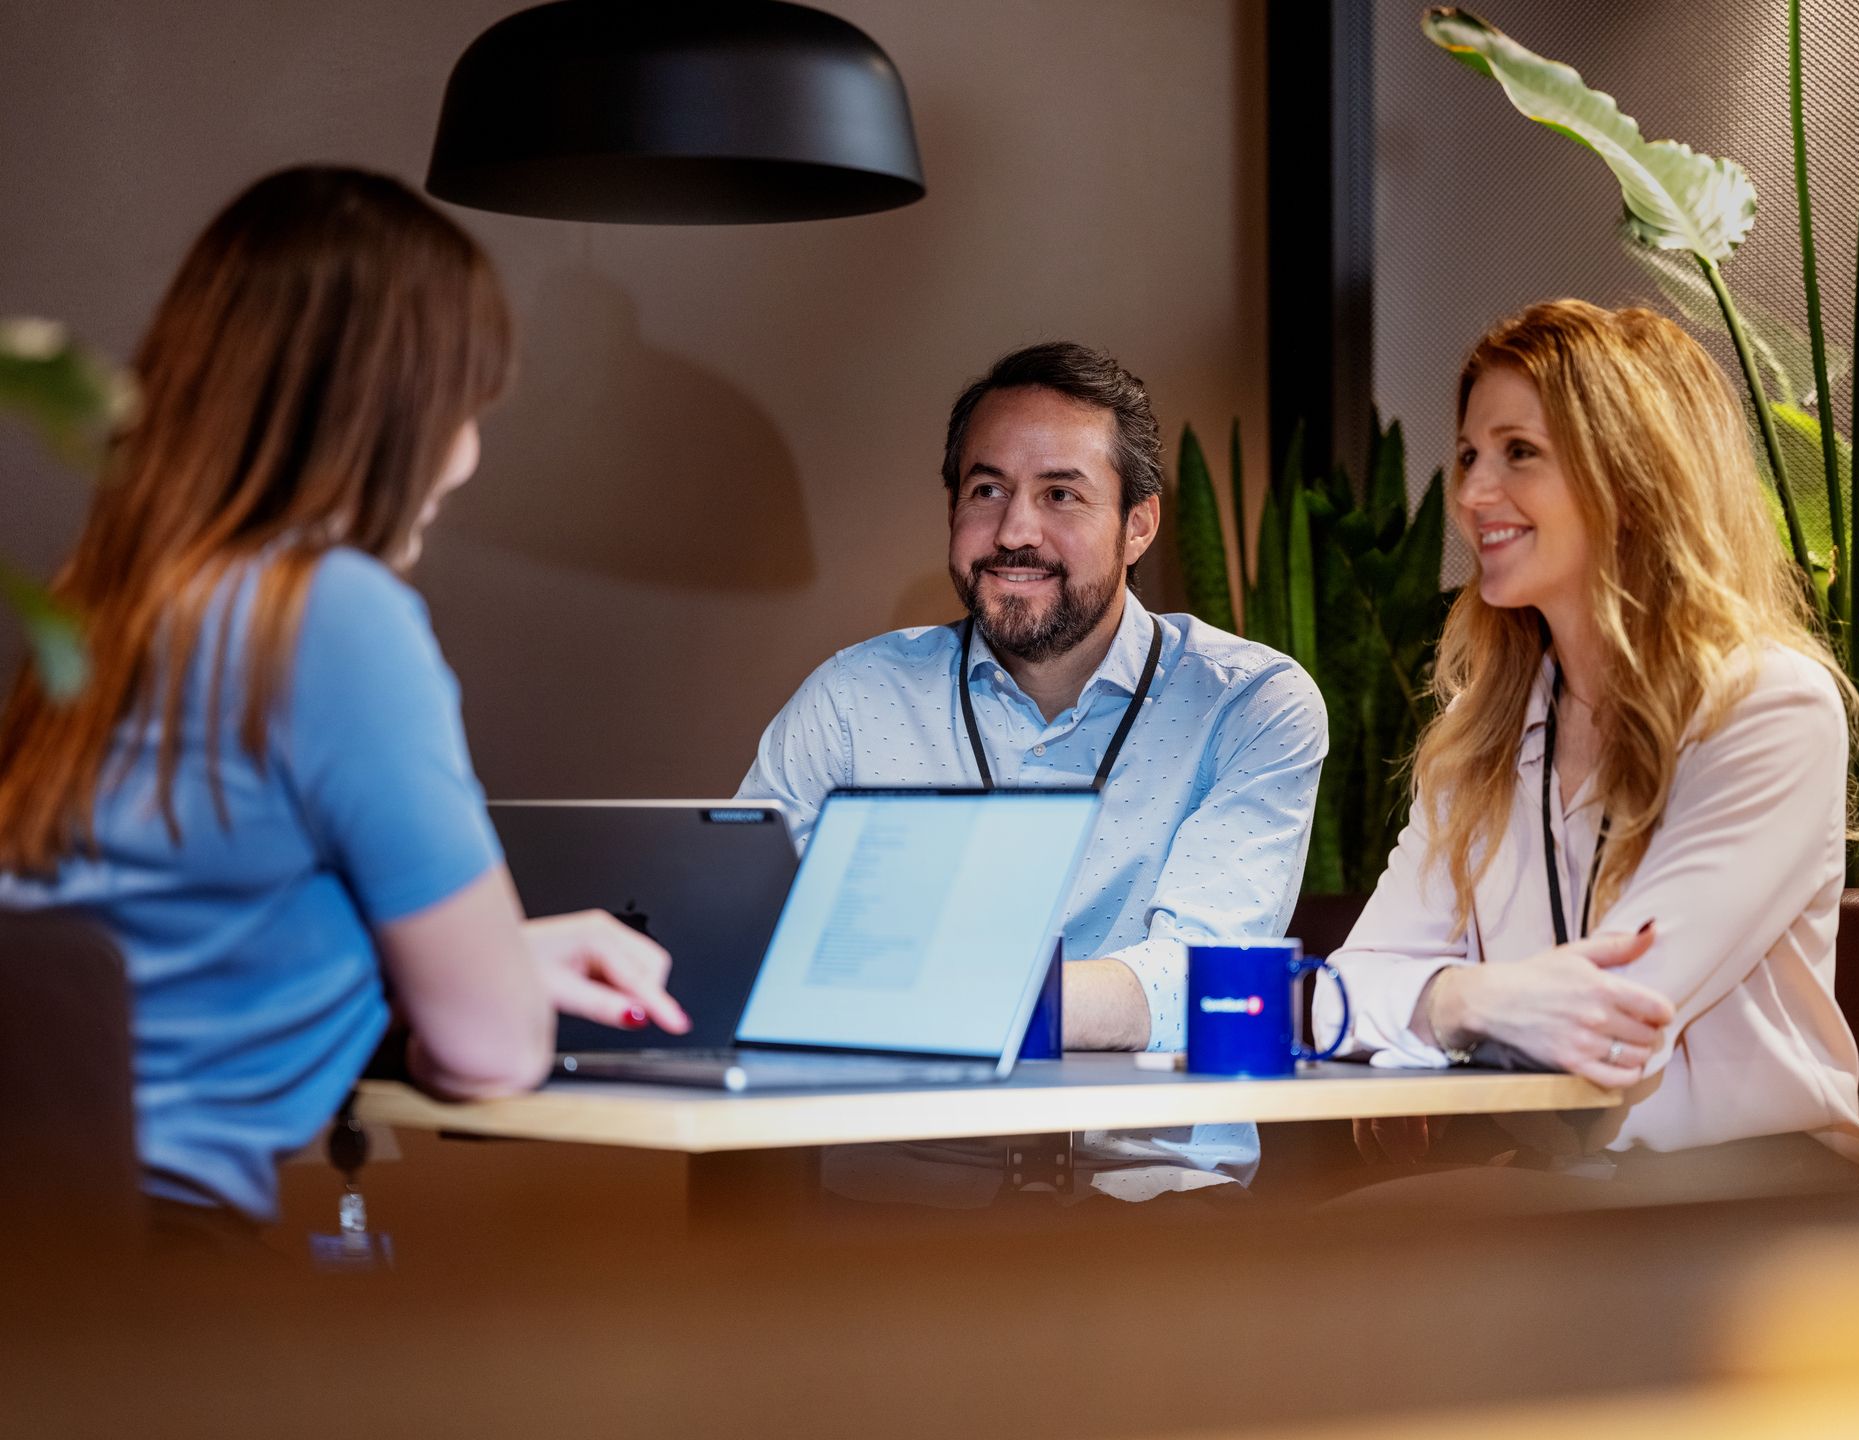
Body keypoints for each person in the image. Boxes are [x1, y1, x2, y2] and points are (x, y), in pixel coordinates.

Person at [0, 167, 689, 1236]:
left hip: (47, 1256)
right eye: (467, 407)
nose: (465, 457)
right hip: (162, 1265)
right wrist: (483, 988)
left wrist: (496, 957)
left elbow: (182, 938)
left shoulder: (104, 593)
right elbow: (489, 1050)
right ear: (394, 410)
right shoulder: (329, 614)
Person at [740, 341, 1327, 1197]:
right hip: (893, 1196)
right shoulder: (856, 698)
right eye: (987, 491)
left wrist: (911, 993)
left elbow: (1203, 986)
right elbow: (742, 947)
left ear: (1140, 524)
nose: (1015, 531)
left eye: (1061, 494)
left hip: (1149, 1202)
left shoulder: (1249, 704)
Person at [1318, 299, 1859, 1195]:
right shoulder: (1481, 736)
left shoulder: (1770, 705)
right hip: (1567, 1188)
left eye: (1519, 453)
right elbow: (1339, 994)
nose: (1469, 494)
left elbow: (1613, 1019)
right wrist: (1468, 1002)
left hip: (1756, 1196)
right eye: (1467, 455)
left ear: (1628, 473)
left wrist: (1432, 1011)